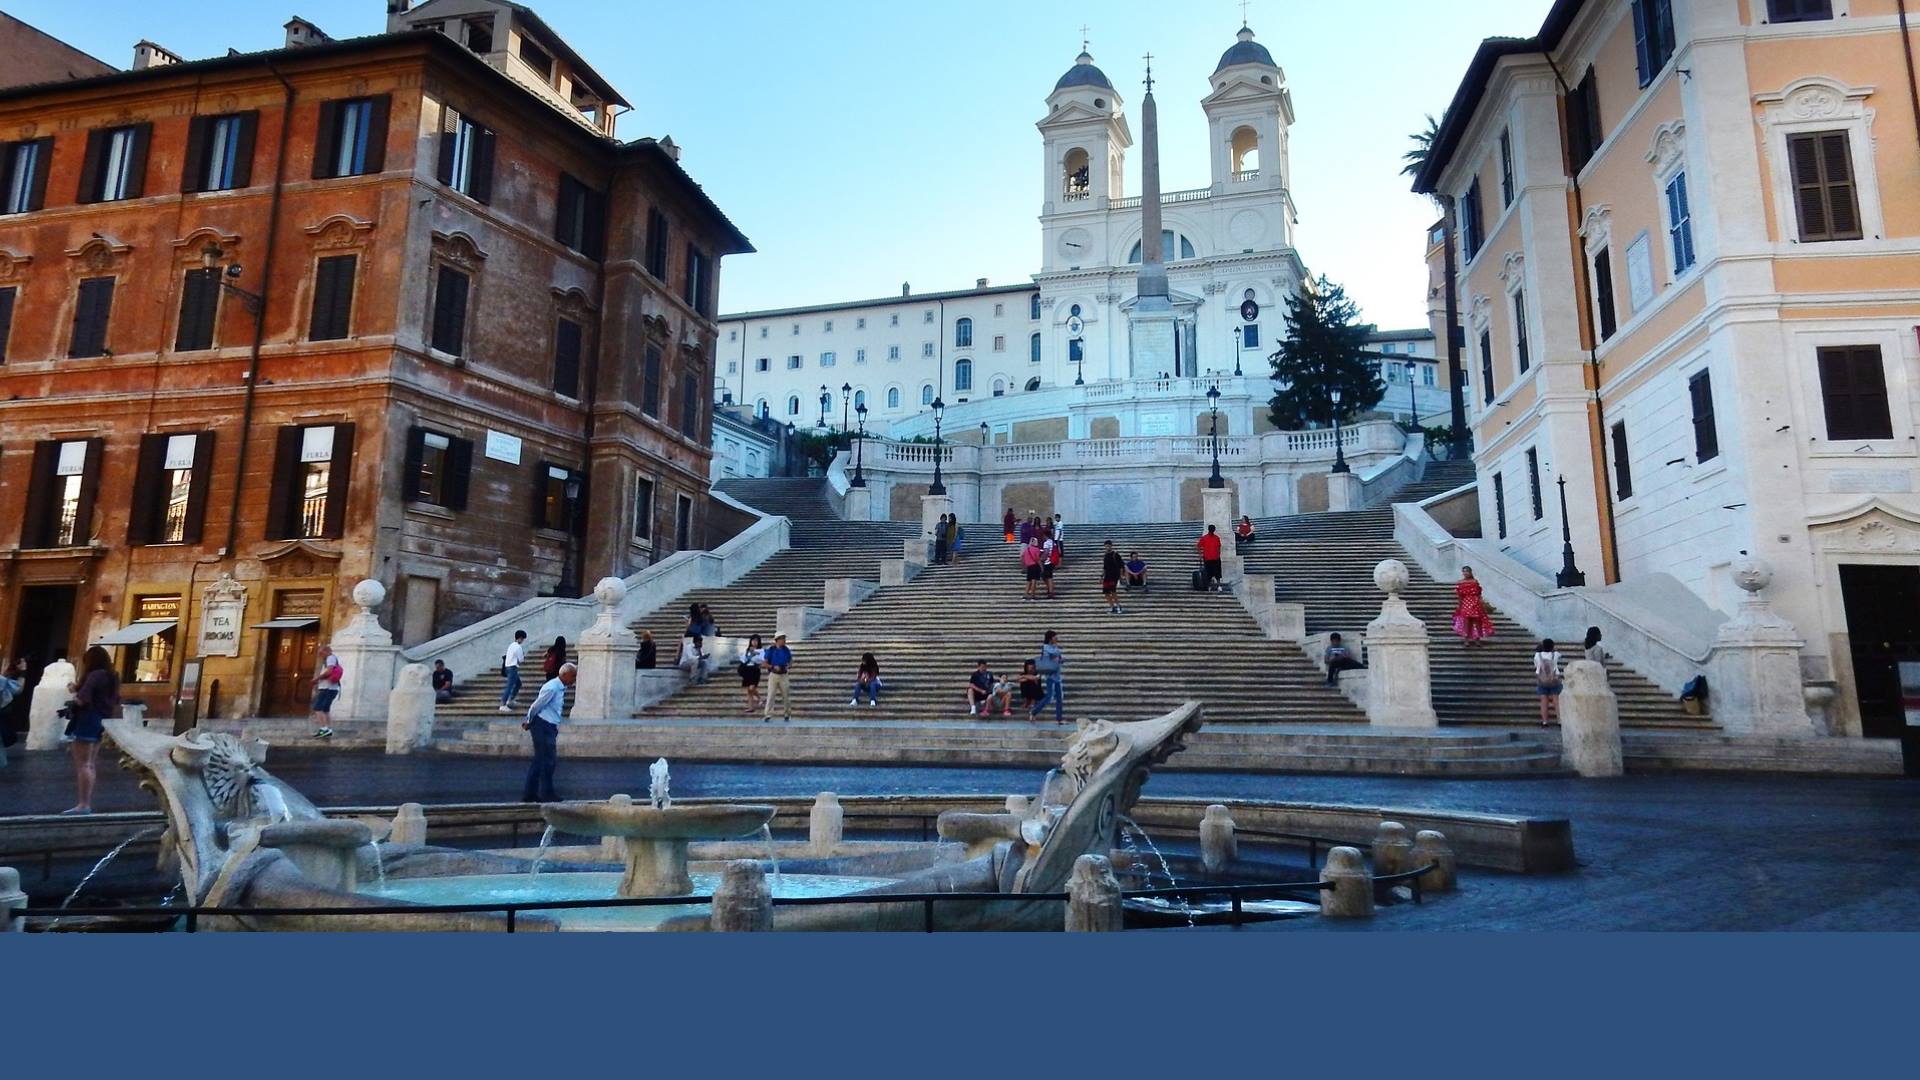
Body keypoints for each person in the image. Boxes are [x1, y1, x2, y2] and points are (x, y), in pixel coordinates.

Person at [63, 646, 120, 814]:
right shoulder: (113, 676)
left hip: (88, 719)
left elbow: (82, 699)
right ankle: (85, 803)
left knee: (83, 764)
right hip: (102, 720)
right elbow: (115, 699)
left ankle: (83, 804)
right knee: (91, 763)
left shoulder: (95, 675)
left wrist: (73, 698)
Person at [520, 662, 576, 803]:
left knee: (543, 761)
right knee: (546, 761)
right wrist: (529, 720)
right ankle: (544, 793)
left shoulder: (559, 688)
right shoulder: (552, 688)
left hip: (549, 725)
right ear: (564, 675)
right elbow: (536, 706)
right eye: (573, 676)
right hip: (542, 725)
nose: (574, 680)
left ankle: (532, 794)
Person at [1452, 566, 1495, 646]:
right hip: (1465, 603)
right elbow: (1460, 595)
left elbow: (1478, 594)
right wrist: (1460, 605)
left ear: (1470, 572)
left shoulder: (1474, 582)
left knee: (1477, 621)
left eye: (1467, 571)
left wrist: (1480, 603)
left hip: (1475, 603)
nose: (1465, 573)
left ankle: (1477, 638)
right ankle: (1466, 639)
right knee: (1466, 621)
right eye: (1464, 571)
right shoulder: (1460, 582)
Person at [1031, 630, 1065, 723]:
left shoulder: (1055, 647)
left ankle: (1059, 718)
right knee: (1049, 697)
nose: (1057, 638)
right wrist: (1057, 658)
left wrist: (1059, 658)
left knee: (1059, 697)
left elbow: (1059, 658)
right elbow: (1051, 658)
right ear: (1050, 638)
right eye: (1055, 637)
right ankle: (1034, 712)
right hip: (1050, 676)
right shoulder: (1046, 647)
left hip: (1057, 675)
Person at [311, 645, 343, 738]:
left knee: (317, 708)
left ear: (327, 651)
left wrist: (317, 678)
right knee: (325, 709)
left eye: (321, 653)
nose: (320, 655)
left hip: (327, 688)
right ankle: (328, 729)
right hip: (332, 689)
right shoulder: (332, 658)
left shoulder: (330, 658)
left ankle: (323, 729)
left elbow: (329, 672)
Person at [763, 632, 794, 723]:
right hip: (774, 674)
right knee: (771, 695)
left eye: (784, 639)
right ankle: (768, 714)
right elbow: (765, 663)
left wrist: (789, 665)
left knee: (786, 695)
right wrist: (772, 666)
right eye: (782, 639)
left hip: (783, 674)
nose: (784, 641)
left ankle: (787, 713)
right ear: (777, 640)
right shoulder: (771, 650)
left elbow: (790, 660)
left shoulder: (786, 649)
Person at [1534, 639, 1564, 726]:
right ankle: (1559, 721)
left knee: (1543, 701)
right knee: (1556, 701)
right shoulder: (1555, 654)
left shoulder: (1537, 655)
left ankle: (1544, 721)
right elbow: (1560, 655)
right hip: (1554, 680)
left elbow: (1536, 665)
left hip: (1542, 680)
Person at [739, 634, 766, 713]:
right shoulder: (747, 650)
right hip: (747, 669)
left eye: (756, 641)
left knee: (752, 687)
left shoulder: (761, 651)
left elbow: (761, 660)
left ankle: (760, 698)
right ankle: (751, 707)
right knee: (749, 690)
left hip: (755, 669)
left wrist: (754, 654)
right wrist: (749, 654)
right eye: (753, 640)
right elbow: (743, 659)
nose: (754, 642)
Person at [1197, 524, 1224, 591]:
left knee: (1217, 573)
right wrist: (1200, 555)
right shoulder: (1205, 538)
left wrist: (1218, 554)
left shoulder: (1216, 538)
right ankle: (1210, 586)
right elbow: (1198, 546)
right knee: (1208, 574)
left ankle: (1218, 586)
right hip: (1208, 558)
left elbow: (1219, 547)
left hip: (1215, 558)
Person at [1101, 541, 1125, 615]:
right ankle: (1112, 607)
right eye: (1106, 546)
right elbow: (1104, 567)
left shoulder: (1116, 555)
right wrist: (1102, 576)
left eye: (1108, 546)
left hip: (1114, 576)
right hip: (1107, 577)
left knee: (1113, 591)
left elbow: (1121, 566)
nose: (1107, 547)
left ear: (1111, 546)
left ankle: (1118, 606)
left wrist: (1120, 576)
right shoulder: (1105, 555)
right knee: (1106, 593)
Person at [1022, 536, 1044, 601]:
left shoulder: (1027, 549)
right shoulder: (1036, 550)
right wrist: (1041, 567)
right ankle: (1032, 595)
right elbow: (1038, 559)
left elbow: (1023, 557)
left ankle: (1025, 595)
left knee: (1028, 581)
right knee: (1034, 581)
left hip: (1029, 566)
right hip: (1035, 566)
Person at [1040, 534, 1059, 599]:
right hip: (1053, 561)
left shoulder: (1046, 543)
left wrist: (1041, 559)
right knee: (1046, 576)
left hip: (1048, 561)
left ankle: (1050, 591)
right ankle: (1050, 589)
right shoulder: (1053, 542)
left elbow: (1046, 552)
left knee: (1047, 577)